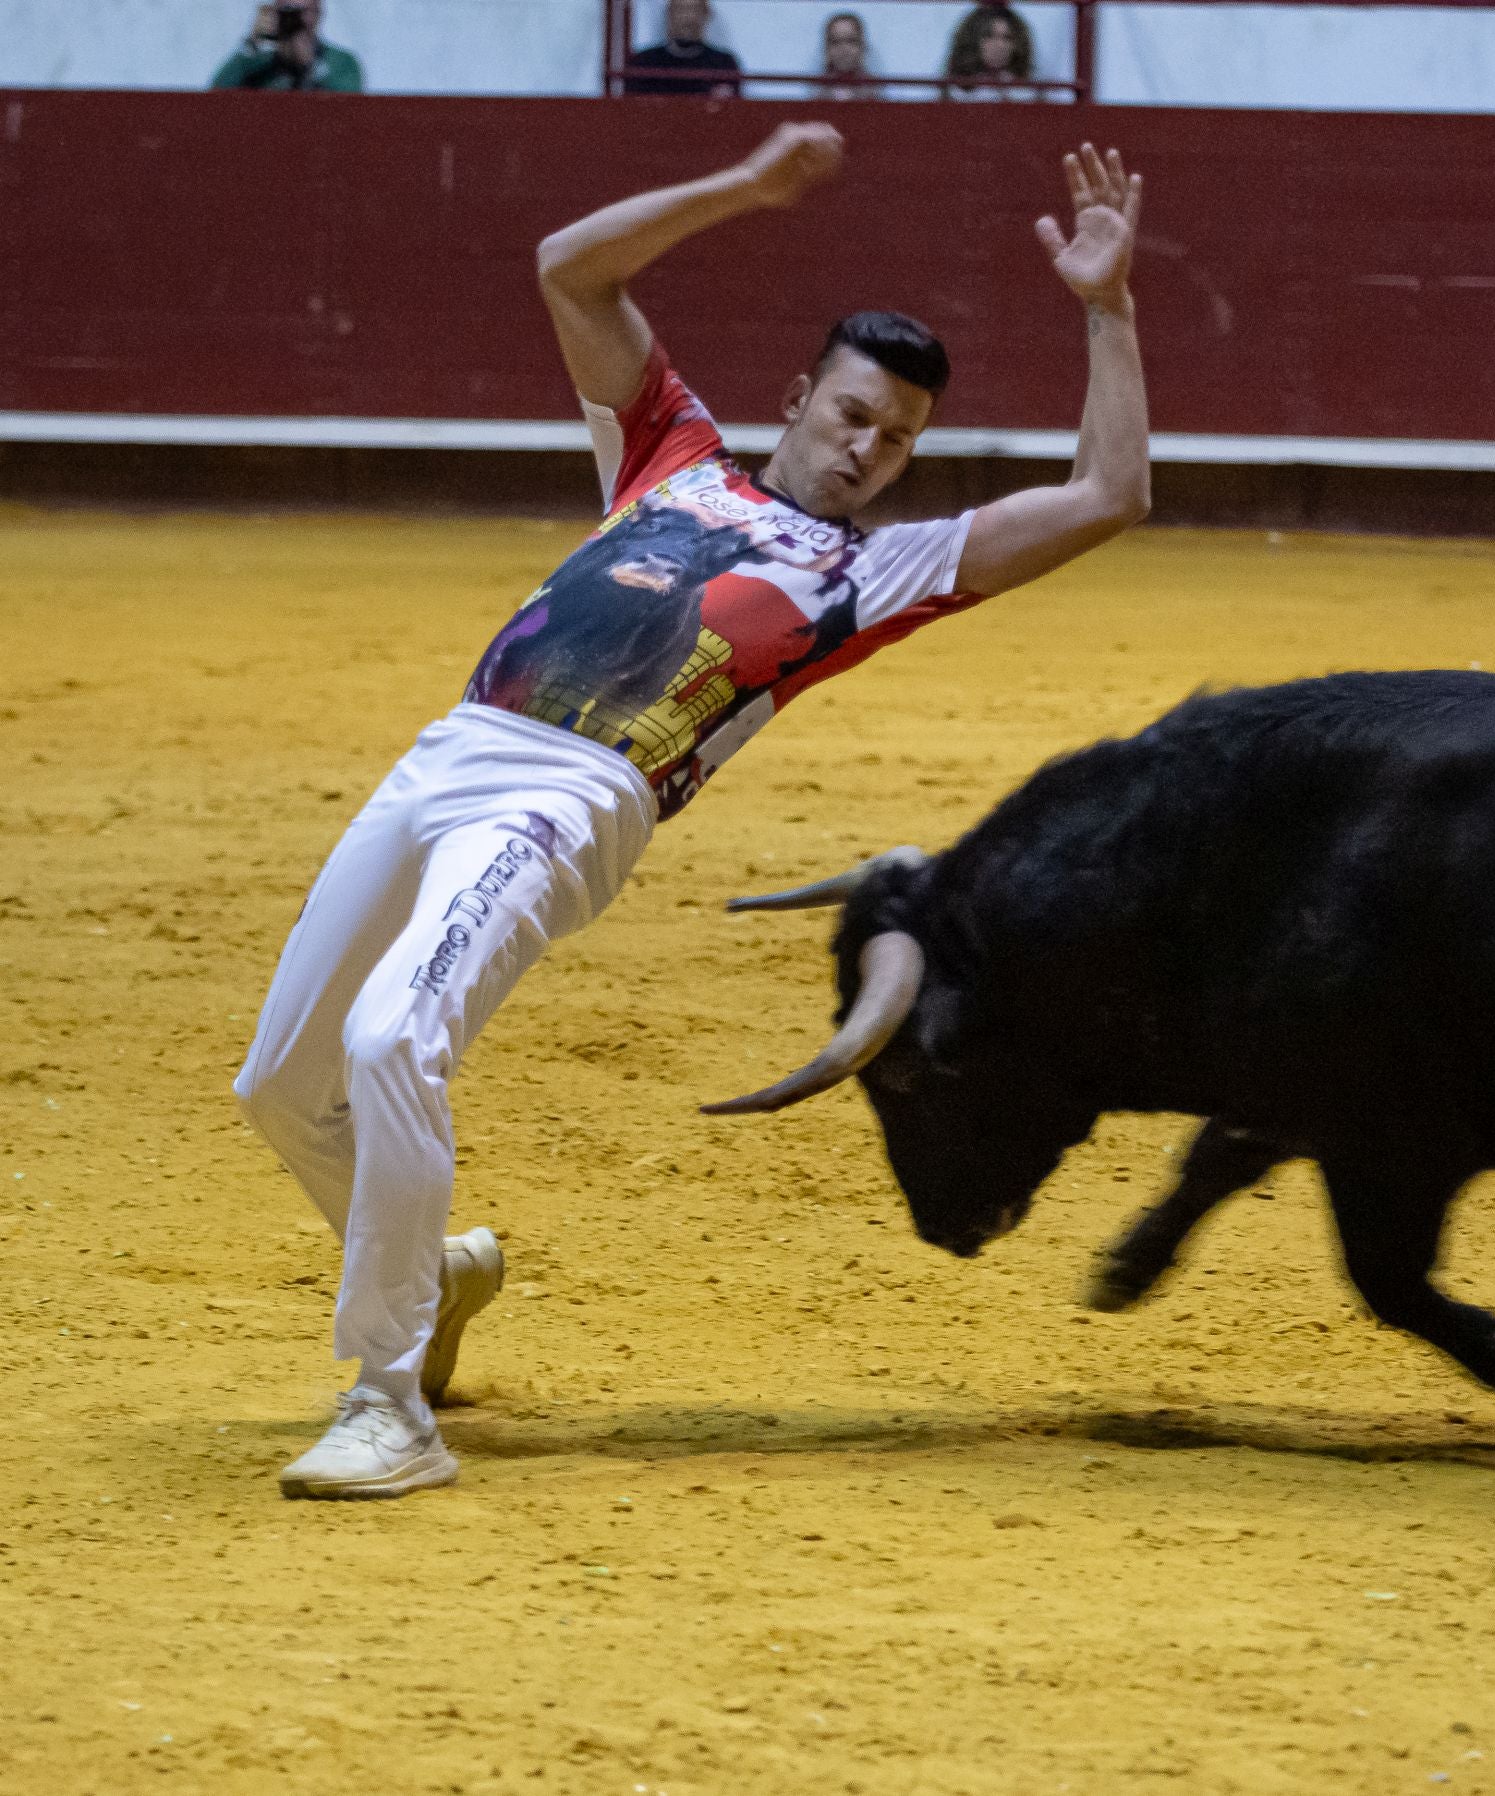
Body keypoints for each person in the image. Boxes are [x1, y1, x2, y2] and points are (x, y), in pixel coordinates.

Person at [235, 123, 1147, 1501]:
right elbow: (569, 270)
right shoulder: (671, 448)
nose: (868, 450)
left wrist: (1110, 308)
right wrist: (743, 191)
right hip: (453, 750)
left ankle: (391, 1404)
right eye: (852, 416)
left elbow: (1109, 493)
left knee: (390, 1036)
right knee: (283, 1085)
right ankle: (438, 1273)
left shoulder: (875, 572)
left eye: (898, 439)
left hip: (577, 795)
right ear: (800, 397)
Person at [211, 1, 363, 92]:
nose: (293, 20)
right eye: (286, 12)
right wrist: (251, 44)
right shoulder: (259, 63)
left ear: (318, 13)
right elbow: (216, 94)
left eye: (301, 12)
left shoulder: (341, 62)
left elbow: (349, 108)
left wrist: (309, 66)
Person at [623, 0, 741, 97]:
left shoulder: (724, 64)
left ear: (706, 15)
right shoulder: (643, 63)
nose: (688, 18)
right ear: (669, 14)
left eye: (695, 10)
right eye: (680, 10)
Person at [944, 3, 1034, 99]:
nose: (1000, 45)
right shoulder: (955, 89)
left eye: (1007, 37)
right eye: (989, 36)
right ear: (973, 40)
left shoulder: (1026, 91)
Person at [813, 11, 872, 101]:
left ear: (862, 47)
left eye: (851, 41)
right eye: (836, 42)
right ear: (827, 49)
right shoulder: (817, 91)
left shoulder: (873, 90)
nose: (844, 49)